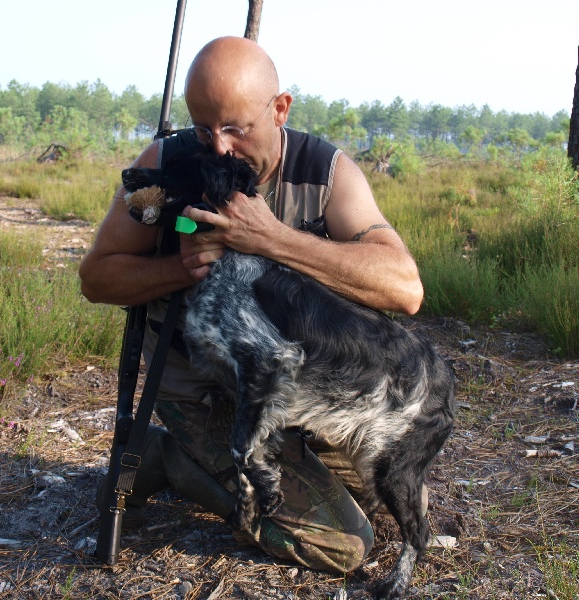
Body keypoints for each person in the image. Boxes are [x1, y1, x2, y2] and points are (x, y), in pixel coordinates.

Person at [78, 36, 423, 574]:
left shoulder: (324, 172)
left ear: (280, 108)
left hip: (286, 394)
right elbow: (97, 277)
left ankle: (229, 457)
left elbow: (403, 288)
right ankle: (169, 456)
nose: (217, 147)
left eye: (236, 127)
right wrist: (178, 268)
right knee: (345, 544)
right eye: (202, 128)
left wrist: (272, 239)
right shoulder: (168, 164)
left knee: (390, 498)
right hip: (203, 392)